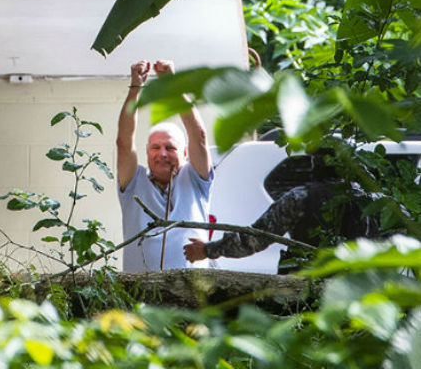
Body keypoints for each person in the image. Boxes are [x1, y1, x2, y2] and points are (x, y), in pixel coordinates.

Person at [183, 151, 380, 273]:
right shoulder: (372, 200)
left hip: (308, 289)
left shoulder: (302, 197)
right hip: (360, 288)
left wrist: (208, 250)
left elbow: (256, 238)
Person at [117, 60, 213, 272]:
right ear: (146, 152)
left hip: (193, 295)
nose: (162, 154)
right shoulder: (134, 182)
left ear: (185, 153)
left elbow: (199, 136)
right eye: (155, 147)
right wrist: (135, 89)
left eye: (170, 147)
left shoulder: (195, 178)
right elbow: (123, 144)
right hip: (140, 295)